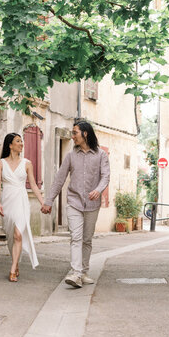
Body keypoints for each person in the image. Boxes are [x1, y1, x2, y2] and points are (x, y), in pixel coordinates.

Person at [41, 121, 110, 288]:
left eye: (75, 133)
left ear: (85, 134)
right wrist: (49, 201)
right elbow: (60, 179)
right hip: (74, 202)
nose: (72, 137)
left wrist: (98, 190)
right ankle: (76, 273)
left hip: (93, 204)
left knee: (87, 239)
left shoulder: (101, 155)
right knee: (76, 237)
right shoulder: (71, 156)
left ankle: (84, 271)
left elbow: (105, 176)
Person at [0, 133, 46, 282]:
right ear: (10, 145)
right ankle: (16, 262)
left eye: (22, 141)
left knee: (18, 234)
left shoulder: (27, 163)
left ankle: (12, 270)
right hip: (7, 201)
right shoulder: (1, 163)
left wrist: (43, 202)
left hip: (22, 201)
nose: (22, 144)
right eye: (18, 141)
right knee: (11, 236)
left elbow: (34, 185)